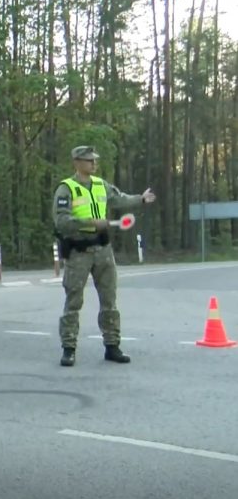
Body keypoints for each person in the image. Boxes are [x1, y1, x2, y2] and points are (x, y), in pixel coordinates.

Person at [53, 145, 156, 366]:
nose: (94, 163)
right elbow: (61, 222)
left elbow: (120, 199)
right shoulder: (66, 189)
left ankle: (112, 346)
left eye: (94, 160)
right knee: (73, 301)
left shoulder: (101, 185)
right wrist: (89, 223)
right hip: (78, 251)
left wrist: (141, 199)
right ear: (77, 162)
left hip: (103, 250)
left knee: (109, 300)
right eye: (89, 160)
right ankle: (68, 349)